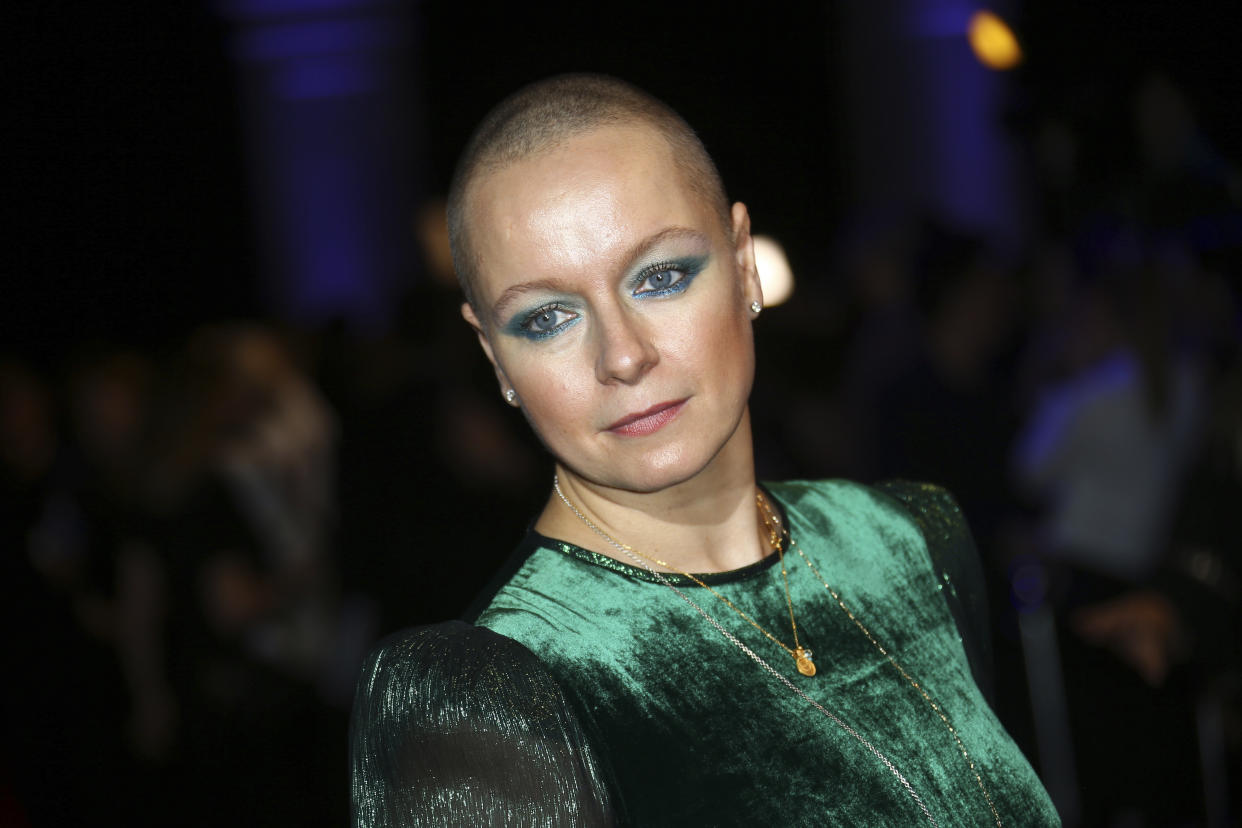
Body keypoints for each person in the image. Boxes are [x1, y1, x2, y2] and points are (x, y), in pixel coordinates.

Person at [350, 74, 1060, 826]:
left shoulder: (909, 539)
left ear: (745, 262)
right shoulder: (483, 701)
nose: (622, 356)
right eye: (548, 317)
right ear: (495, 357)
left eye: (660, 277)